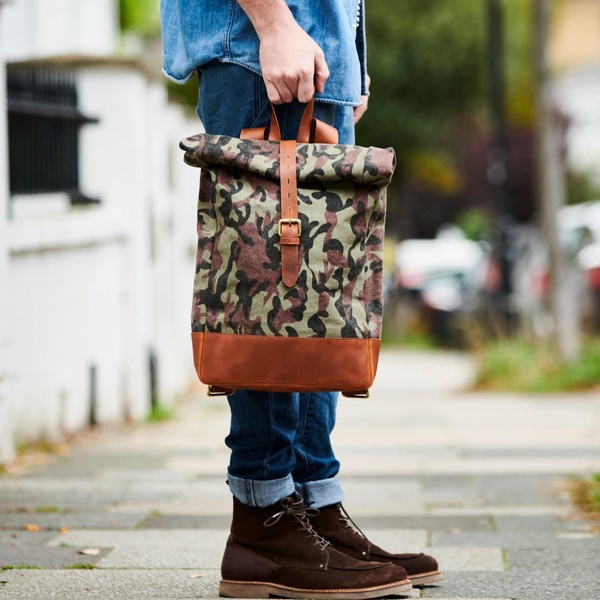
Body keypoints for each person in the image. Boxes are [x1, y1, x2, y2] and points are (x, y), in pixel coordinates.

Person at [161, 1, 442, 597]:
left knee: (319, 297)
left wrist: (350, 55)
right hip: (259, 46)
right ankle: (262, 513)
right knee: (271, 287)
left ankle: (313, 504)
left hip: (316, 49)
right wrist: (273, 23)